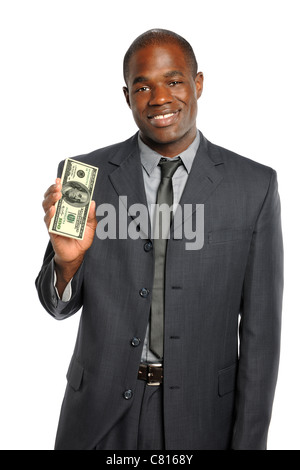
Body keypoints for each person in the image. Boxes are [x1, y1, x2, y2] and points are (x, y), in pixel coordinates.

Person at [36, 29, 283, 450]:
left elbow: (262, 335)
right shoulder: (83, 176)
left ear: (197, 83)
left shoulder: (254, 186)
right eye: (143, 86)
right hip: (97, 415)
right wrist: (67, 263)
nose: (159, 98)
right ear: (127, 95)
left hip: (203, 417)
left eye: (173, 81)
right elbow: (56, 306)